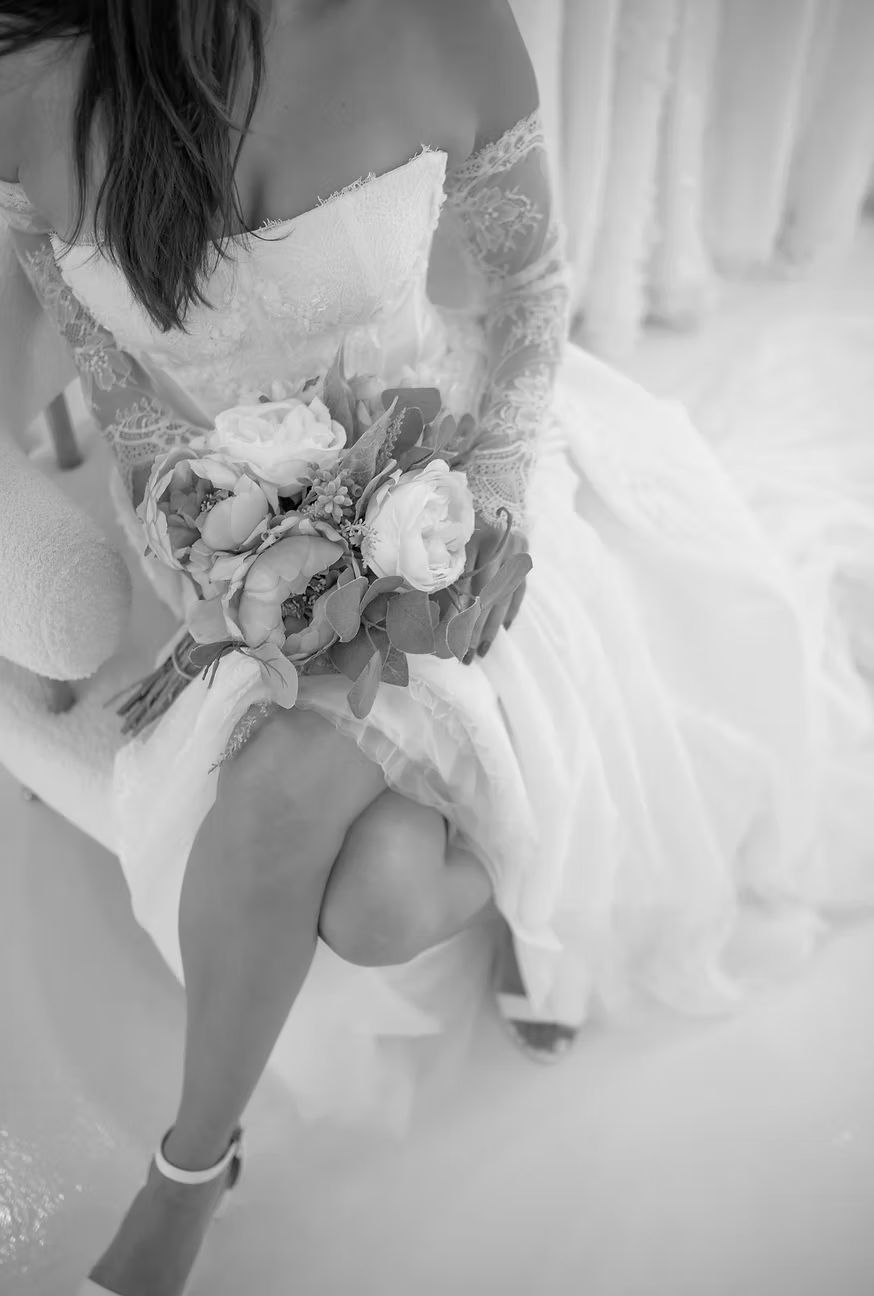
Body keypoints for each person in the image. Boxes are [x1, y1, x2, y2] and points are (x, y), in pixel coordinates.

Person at [1, 2, 873, 1293]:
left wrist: (494, 505)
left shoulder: (440, 23)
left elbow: (529, 292)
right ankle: (529, 858)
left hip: (450, 489)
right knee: (375, 905)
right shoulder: (37, 79)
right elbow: (104, 360)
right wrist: (188, 521)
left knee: (294, 779)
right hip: (241, 538)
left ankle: (185, 1179)